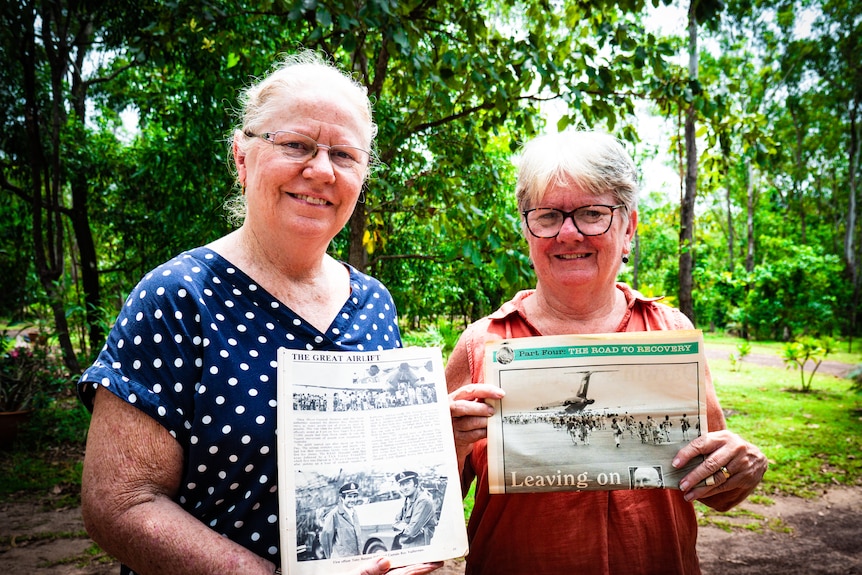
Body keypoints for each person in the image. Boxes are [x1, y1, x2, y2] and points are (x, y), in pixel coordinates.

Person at [77, 51, 439, 575]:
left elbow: (371, 462)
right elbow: (120, 504)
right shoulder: (176, 298)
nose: (320, 170)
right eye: (295, 145)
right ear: (242, 158)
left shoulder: (373, 303)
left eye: (344, 154)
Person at [447, 130, 768, 574]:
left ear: (629, 226)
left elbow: (716, 485)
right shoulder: (481, 343)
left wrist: (744, 465)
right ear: (526, 228)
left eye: (592, 213)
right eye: (547, 216)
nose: (569, 233)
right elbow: (431, 505)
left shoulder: (670, 332)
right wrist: (444, 444)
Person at [392, 471, 438, 548]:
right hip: (408, 546)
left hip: (420, 547)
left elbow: (411, 532)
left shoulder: (423, 501)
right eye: (402, 484)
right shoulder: (408, 501)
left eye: (408, 483)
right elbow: (395, 524)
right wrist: (405, 528)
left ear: (416, 484)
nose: (405, 487)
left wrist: (402, 531)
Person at [320, 482, 364, 559]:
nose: (352, 500)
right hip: (341, 559)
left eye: (354, 497)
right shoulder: (334, 514)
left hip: (356, 557)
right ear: (342, 498)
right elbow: (325, 538)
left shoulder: (354, 513)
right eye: (349, 497)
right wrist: (330, 557)